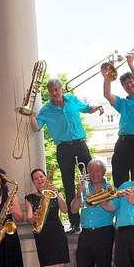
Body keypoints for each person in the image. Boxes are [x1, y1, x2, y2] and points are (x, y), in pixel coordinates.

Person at [30, 79, 104, 234]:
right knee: (68, 184)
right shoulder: (45, 110)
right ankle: (75, 223)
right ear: (49, 92)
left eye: (57, 89)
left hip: (80, 143)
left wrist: (97, 108)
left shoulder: (72, 100)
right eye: (51, 90)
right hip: (63, 148)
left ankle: (98, 215)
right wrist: (29, 113)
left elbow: (86, 108)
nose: (55, 93)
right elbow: (36, 128)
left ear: (61, 89)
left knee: (93, 177)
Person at [68, 159, 115, 267]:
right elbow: (74, 209)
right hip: (86, 233)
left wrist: (98, 197)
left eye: (97, 171)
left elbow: (112, 208)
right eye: (91, 171)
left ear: (103, 172)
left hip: (104, 232)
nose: (94, 174)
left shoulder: (110, 188)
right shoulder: (84, 187)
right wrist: (77, 193)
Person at [25, 168, 70, 267]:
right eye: (36, 178)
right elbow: (29, 218)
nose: (39, 179)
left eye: (41, 176)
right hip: (42, 235)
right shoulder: (30, 197)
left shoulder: (54, 192)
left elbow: (65, 209)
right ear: (33, 181)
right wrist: (34, 216)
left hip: (56, 232)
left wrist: (57, 194)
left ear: (45, 178)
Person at [103, 53, 134, 187]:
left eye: (131, 81)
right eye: (125, 84)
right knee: (119, 178)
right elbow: (107, 94)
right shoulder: (122, 102)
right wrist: (107, 75)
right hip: (123, 142)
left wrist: (131, 64)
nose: (129, 85)